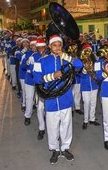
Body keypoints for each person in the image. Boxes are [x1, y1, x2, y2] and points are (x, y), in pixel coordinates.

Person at [33, 35, 82, 164]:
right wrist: (52, 76)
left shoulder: (66, 59)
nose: (57, 47)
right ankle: (54, 149)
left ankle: (65, 148)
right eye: (54, 45)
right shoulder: (41, 61)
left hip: (65, 98)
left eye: (59, 45)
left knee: (66, 126)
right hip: (51, 99)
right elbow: (36, 79)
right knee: (52, 126)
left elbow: (79, 65)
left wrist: (65, 56)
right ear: (49, 46)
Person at [80, 44, 100, 129]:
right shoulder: (81, 62)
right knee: (86, 102)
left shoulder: (95, 61)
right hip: (85, 85)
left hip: (94, 85)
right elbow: (78, 74)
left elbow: (98, 73)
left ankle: (92, 118)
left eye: (89, 51)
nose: (88, 53)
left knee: (93, 103)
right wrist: (84, 70)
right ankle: (85, 120)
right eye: (86, 51)